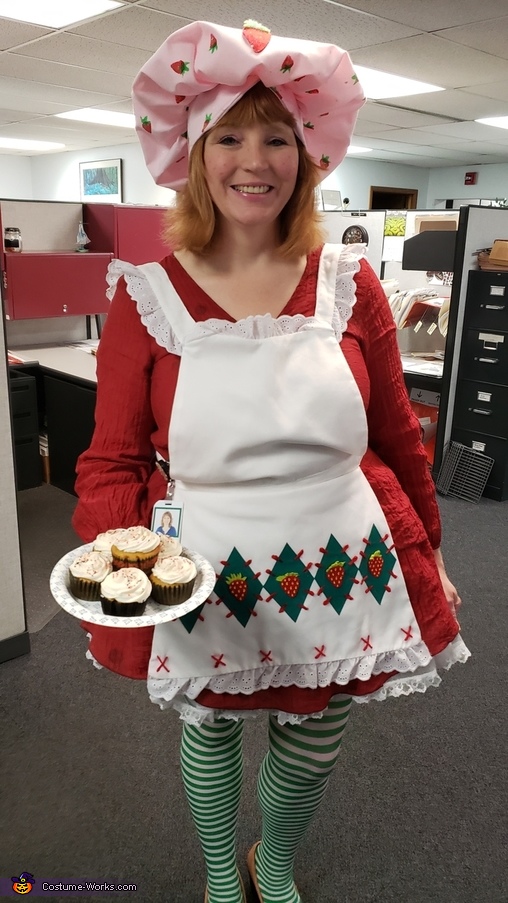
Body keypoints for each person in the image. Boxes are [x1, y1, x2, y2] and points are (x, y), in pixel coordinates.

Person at [72, 19, 470, 903]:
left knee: (318, 734)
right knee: (211, 732)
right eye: (232, 136)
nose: (257, 159)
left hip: (344, 558)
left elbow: (399, 439)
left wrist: (432, 551)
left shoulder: (348, 281)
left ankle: (274, 862)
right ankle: (222, 869)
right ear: (195, 151)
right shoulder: (148, 295)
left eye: (278, 136)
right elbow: (110, 459)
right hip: (207, 563)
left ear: (308, 153)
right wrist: (116, 562)